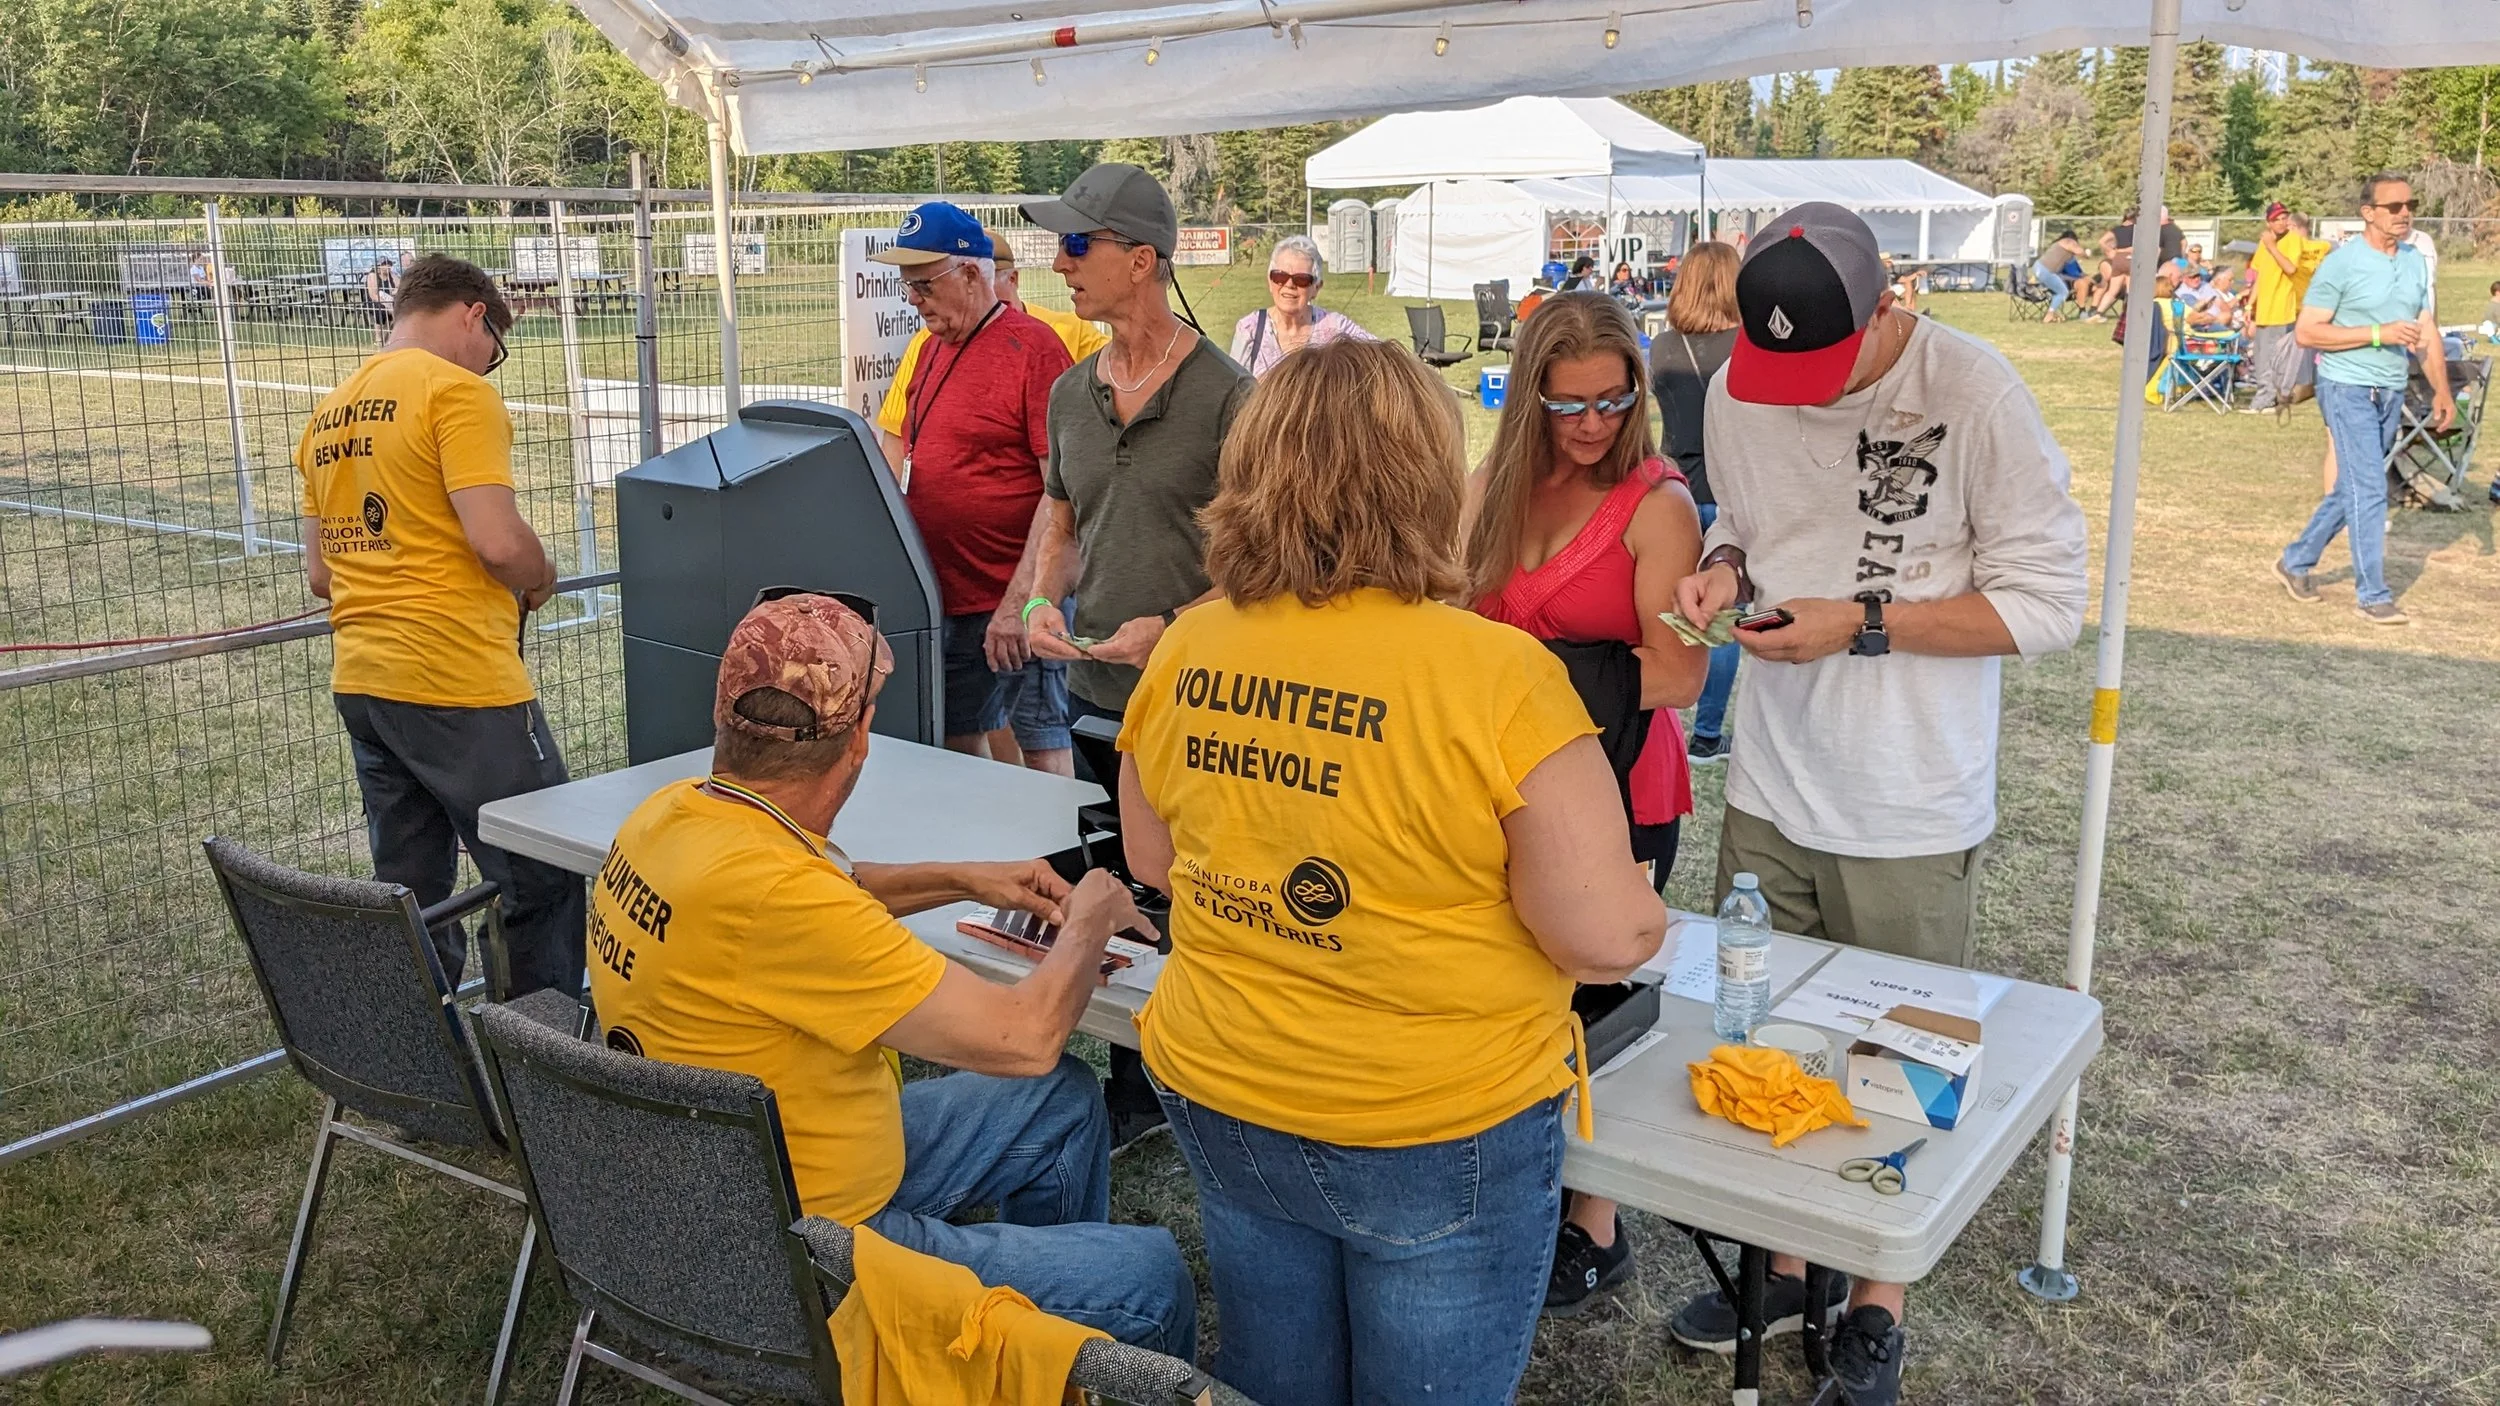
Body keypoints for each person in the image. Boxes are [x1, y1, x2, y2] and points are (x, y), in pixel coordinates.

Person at [1117, 338, 1668, 1405]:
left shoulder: (1188, 644)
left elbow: (1154, 855)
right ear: (1426, 476)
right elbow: (1603, 937)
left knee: (1278, 1379)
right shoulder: (1498, 674)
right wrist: (1643, 912)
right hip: (1430, 1118)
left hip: (1224, 1080)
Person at [1670, 203, 2089, 1406]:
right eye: (1773, 363)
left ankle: (1870, 1301)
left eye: (1822, 363)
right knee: (1763, 1037)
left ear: (1885, 304)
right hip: (1769, 783)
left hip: (1909, 800)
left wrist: (1858, 624)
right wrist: (1723, 568)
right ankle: (1790, 1268)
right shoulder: (1746, 386)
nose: (1792, 391)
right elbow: (1750, 523)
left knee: (1896, 1056)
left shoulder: (1977, 392)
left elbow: (2048, 606)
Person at [585, 591, 1195, 1357]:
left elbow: (819, 898)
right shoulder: (785, 901)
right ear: (860, 737)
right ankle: (1032, 1330)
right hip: (816, 1252)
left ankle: (1030, 1359)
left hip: (714, 1192)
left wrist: (968, 878)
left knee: (1061, 1100)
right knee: (1151, 1275)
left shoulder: (670, 818)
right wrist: (1088, 921)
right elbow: (1026, 1036)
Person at [1465, 290, 1706, 1318]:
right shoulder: (1495, 485)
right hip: (1495, 786)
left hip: (1618, 783)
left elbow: (1678, 677)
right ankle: (1523, 1187)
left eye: (1612, 400)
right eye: (1567, 406)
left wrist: (1531, 679)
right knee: (1511, 982)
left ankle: (1594, 1222)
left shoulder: (1659, 505)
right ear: (1530, 398)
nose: (1594, 425)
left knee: (1587, 998)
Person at [1019, 162, 1256, 1148]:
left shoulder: (1230, 398)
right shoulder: (1073, 393)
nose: (1059, 262)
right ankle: (1132, 1083)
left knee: (1199, 899)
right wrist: (1039, 595)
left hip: (1199, 706)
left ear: (1141, 259)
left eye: (1077, 244)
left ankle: (1205, 1077)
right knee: (1111, 890)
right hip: (1091, 694)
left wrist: (1177, 626)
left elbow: (1268, 562)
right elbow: (1062, 519)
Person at [292, 254, 583, 999]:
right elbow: (497, 540)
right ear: (472, 316)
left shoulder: (327, 414)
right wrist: (540, 576)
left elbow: (322, 576)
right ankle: (542, 1069)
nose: (490, 371)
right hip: (458, 681)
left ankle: (426, 1063)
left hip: (365, 681)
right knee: (542, 872)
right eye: (494, 353)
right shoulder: (454, 394)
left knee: (413, 890)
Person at [875, 224, 1105, 777]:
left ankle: (1058, 859)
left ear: (973, 275)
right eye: (907, 285)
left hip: (1012, 599)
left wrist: (1020, 601)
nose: (912, 299)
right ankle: (983, 861)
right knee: (959, 747)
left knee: (1043, 741)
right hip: (949, 597)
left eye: (924, 285)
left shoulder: (1034, 349)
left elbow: (1061, 493)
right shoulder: (929, 350)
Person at [2276, 173, 2454, 626]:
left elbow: (2426, 331)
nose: (2404, 213)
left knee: (2353, 487)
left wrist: (2443, 391)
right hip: (2345, 386)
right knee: (2371, 488)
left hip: (2391, 388)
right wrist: (2379, 334)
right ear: (2368, 213)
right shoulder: (2341, 263)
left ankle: (2294, 562)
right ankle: (2373, 595)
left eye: (2409, 205)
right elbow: (2307, 331)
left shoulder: (2416, 262)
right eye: (2393, 207)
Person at [1649, 242, 1744, 766]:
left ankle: (1667, 705)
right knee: (1724, 617)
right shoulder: (1749, 346)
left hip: (1676, 488)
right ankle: (1707, 733)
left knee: (1670, 608)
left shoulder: (1664, 348)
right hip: (1731, 493)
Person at [1227, 233, 1373, 378]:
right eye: (1280, 277)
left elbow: (1381, 355)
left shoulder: (1336, 326)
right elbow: (1231, 388)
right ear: (1270, 282)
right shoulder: (1250, 329)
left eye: (1301, 280)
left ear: (1316, 287)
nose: (1289, 285)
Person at [2247, 201, 2329, 413]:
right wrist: (2249, 306)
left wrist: (2272, 247)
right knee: (2260, 357)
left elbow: (2290, 268)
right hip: (2264, 308)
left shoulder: (2292, 241)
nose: (2282, 222)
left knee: (2273, 358)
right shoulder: (2264, 243)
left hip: (2281, 308)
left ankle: (2266, 401)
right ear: (2268, 223)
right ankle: (2264, 397)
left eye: (2284, 218)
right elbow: (2260, 277)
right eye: (2277, 219)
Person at [2034, 230, 2086, 322]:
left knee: (2058, 290)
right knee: (2063, 292)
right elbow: (2080, 252)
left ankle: (2053, 313)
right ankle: (2049, 315)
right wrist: (2086, 253)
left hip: (2038, 267)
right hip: (2047, 270)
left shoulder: (2058, 246)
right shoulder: (2069, 242)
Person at [362, 256, 398, 344]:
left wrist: (396, 290)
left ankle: (391, 335)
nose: (388, 266)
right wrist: (386, 303)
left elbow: (400, 286)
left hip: (390, 300)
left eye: (389, 264)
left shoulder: (392, 275)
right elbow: (373, 295)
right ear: (379, 266)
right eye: (385, 264)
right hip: (374, 300)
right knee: (380, 310)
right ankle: (378, 338)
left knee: (398, 310)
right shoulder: (373, 275)